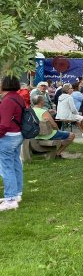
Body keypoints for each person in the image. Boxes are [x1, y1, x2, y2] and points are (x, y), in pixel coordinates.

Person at [0, 75, 25, 211]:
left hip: (8, 137)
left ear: (4, 84)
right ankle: (16, 194)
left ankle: (10, 199)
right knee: (15, 164)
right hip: (18, 135)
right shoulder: (18, 97)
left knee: (6, 168)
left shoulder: (7, 100)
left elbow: (4, 124)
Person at [32, 94, 75, 159]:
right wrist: (57, 130)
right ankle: (57, 153)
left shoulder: (30, 111)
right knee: (71, 135)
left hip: (36, 135)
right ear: (41, 101)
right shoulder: (43, 112)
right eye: (43, 100)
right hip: (47, 135)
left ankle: (57, 151)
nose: (44, 101)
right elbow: (54, 124)